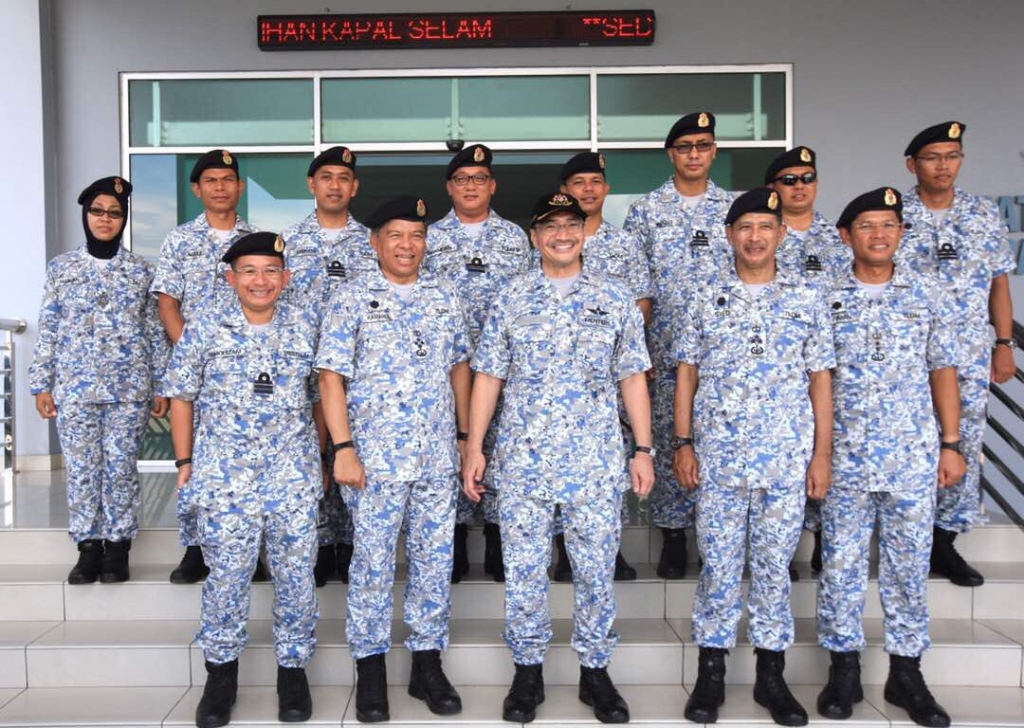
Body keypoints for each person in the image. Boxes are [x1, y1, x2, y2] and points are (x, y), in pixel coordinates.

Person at [464, 191, 654, 724]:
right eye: (550, 226)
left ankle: (596, 672)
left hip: (594, 463)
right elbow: (488, 377)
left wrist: (643, 449)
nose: (562, 234)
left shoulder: (615, 299)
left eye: (571, 224)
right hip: (524, 461)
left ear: (584, 231)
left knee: (594, 573)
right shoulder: (510, 297)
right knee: (524, 573)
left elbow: (632, 378)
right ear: (534, 236)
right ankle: (528, 673)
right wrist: (474, 446)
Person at [674, 188, 834, 727]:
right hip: (719, 458)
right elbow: (687, 375)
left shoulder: (807, 300)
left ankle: (771, 675)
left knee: (772, 567)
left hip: (785, 459)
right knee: (718, 566)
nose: (755, 236)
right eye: (744, 227)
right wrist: (683, 441)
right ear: (728, 235)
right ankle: (711, 673)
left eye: (765, 226)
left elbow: (820, 383)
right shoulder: (704, 296)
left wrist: (821, 457)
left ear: (781, 234)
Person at [317, 197, 470, 723]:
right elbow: (331, 376)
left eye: (417, 235)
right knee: (372, 566)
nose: (408, 245)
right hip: (373, 461)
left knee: (433, 563)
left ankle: (427, 665)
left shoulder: (445, 293)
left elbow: (459, 370)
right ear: (375, 241)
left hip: (433, 458)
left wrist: (465, 436)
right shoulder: (351, 296)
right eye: (397, 235)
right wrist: (342, 448)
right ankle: (372, 669)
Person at [817, 187, 964, 728]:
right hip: (846, 458)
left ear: (901, 233)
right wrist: (821, 455)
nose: (879, 235)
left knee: (906, 567)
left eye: (888, 225)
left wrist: (951, 444)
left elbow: (942, 372)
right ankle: (844, 668)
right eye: (866, 226)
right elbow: (817, 383)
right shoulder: (824, 298)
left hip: (911, 455)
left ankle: (906, 672)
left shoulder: (926, 293)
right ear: (845, 235)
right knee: (842, 566)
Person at [163, 232, 319, 727]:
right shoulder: (205, 326)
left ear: (286, 278)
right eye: (249, 270)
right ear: (230, 278)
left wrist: (315, 458)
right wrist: (185, 463)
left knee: (296, 580)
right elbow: (181, 396)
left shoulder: (305, 326)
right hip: (224, 479)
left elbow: (321, 396)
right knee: (226, 581)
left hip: (292, 479)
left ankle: (292, 674)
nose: (260, 280)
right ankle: (221, 676)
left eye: (271, 270)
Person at [29, 176, 169, 584]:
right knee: (83, 468)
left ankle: (119, 546)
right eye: (97, 211)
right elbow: (49, 327)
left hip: (129, 389)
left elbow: (154, 331)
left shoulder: (142, 272)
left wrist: (162, 384)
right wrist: (41, 383)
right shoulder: (62, 268)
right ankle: (88, 547)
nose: (105, 219)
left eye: (114, 212)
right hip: (75, 387)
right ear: (85, 215)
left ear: (124, 219)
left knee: (121, 467)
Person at [896, 121, 1017, 587]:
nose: (943, 165)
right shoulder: (893, 214)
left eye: (952, 156)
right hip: (907, 358)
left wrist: (1003, 344)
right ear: (913, 164)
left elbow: (999, 282)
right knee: (907, 442)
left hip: (967, 354)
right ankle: (906, 537)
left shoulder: (983, 214)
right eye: (932, 157)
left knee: (962, 443)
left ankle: (944, 542)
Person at [624, 111, 734, 579]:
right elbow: (637, 287)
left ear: (713, 152)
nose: (694, 154)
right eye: (685, 146)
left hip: (723, 351)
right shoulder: (646, 210)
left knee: (718, 438)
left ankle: (716, 533)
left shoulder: (734, 209)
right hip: (664, 351)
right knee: (670, 438)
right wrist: (640, 351)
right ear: (671, 154)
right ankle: (672, 533)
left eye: (703, 146)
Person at [151, 149, 259, 584]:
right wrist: (197, 351)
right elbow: (167, 305)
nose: (220, 187)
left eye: (227, 180)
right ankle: (195, 547)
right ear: (197, 190)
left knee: (252, 455)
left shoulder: (257, 237)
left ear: (240, 188)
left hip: (248, 369)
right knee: (191, 456)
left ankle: (254, 545)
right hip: (198, 369)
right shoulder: (179, 240)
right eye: (211, 180)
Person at [426, 143, 532, 583]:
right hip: (443, 366)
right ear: (450, 188)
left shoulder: (515, 238)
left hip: (503, 367)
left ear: (493, 186)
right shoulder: (429, 238)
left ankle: (494, 535)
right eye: (463, 179)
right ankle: (450, 540)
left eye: (480, 179)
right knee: (450, 446)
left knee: (497, 448)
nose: (472, 186)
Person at [551, 151, 653, 583]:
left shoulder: (624, 243)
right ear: (564, 193)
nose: (588, 189)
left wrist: (614, 342)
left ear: (606, 190)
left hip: (607, 375)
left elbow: (643, 301)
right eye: (579, 182)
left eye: (596, 181)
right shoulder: (546, 238)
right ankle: (563, 550)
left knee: (611, 464)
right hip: (556, 378)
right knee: (556, 461)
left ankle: (609, 550)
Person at [282, 145, 372, 587]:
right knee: (309, 455)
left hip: (357, 373)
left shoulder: (374, 241)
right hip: (299, 372)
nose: (334, 185)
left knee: (351, 449)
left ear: (354, 187)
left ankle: (350, 544)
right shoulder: (287, 241)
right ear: (311, 185)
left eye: (343, 178)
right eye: (326, 177)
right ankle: (318, 544)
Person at [764, 146, 851, 578]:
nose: (799, 186)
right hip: (776, 371)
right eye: (789, 179)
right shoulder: (759, 234)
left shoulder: (839, 239)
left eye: (806, 177)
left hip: (831, 364)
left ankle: (820, 540)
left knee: (824, 450)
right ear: (773, 189)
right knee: (783, 462)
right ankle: (785, 548)